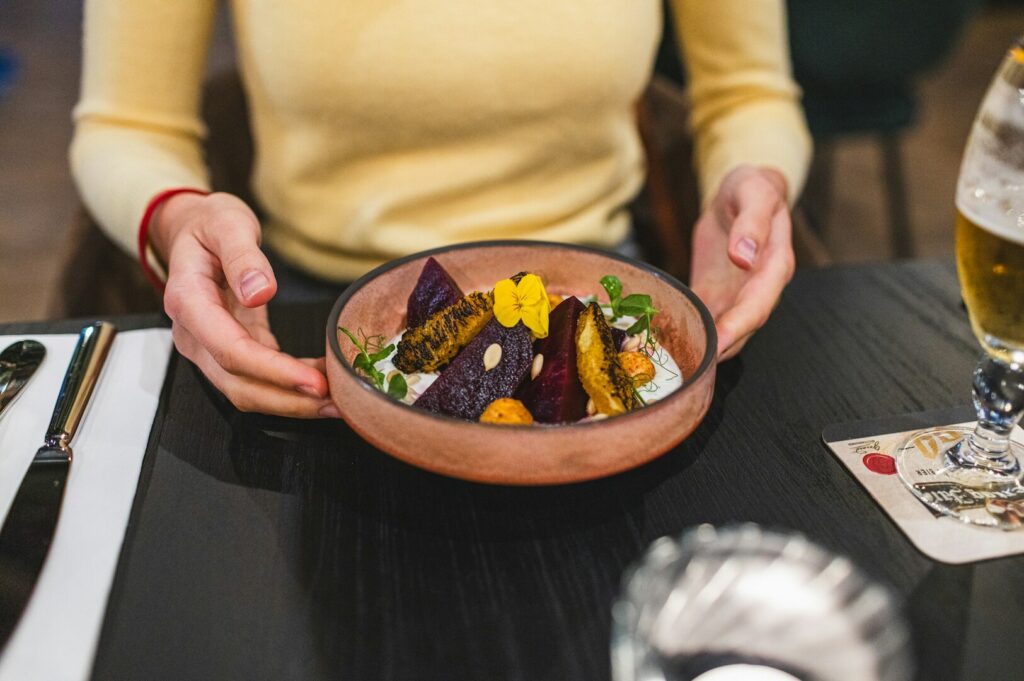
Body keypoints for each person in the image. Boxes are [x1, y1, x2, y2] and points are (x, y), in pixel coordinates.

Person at [70, 1, 811, 419]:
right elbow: (129, 126)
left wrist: (752, 179)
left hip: (597, 317)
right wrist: (173, 215)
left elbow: (747, 91)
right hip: (306, 328)